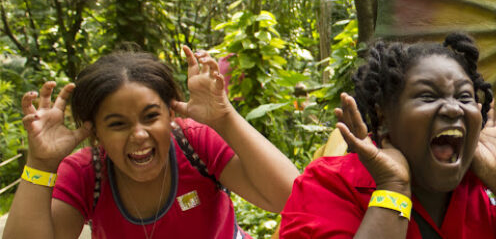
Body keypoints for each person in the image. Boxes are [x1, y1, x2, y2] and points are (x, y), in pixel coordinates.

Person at [278, 33, 496, 238]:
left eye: (465, 98)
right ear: (384, 115)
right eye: (428, 97)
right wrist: (394, 189)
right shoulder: (330, 185)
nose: (453, 109)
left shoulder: (491, 183)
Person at [3, 47, 300, 239]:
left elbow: (291, 199)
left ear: (171, 114)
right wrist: (40, 164)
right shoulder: (85, 173)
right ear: (96, 134)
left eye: (150, 117)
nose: (139, 135)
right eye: (117, 124)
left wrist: (225, 119)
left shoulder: (194, 144)